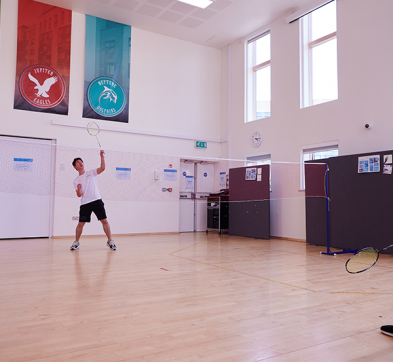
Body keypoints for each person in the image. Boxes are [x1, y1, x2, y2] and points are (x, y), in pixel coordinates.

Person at [70, 150, 116, 251]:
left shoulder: (91, 173)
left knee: (104, 220)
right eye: (77, 162)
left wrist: (102, 157)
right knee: (81, 223)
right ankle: (76, 242)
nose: (80, 162)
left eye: (81, 161)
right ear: (75, 167)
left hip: (96, 200)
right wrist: (78, 189)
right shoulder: (76, 180)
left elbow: (102, 168)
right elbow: (79, 195)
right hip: (85, 204)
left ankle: (110, 241)